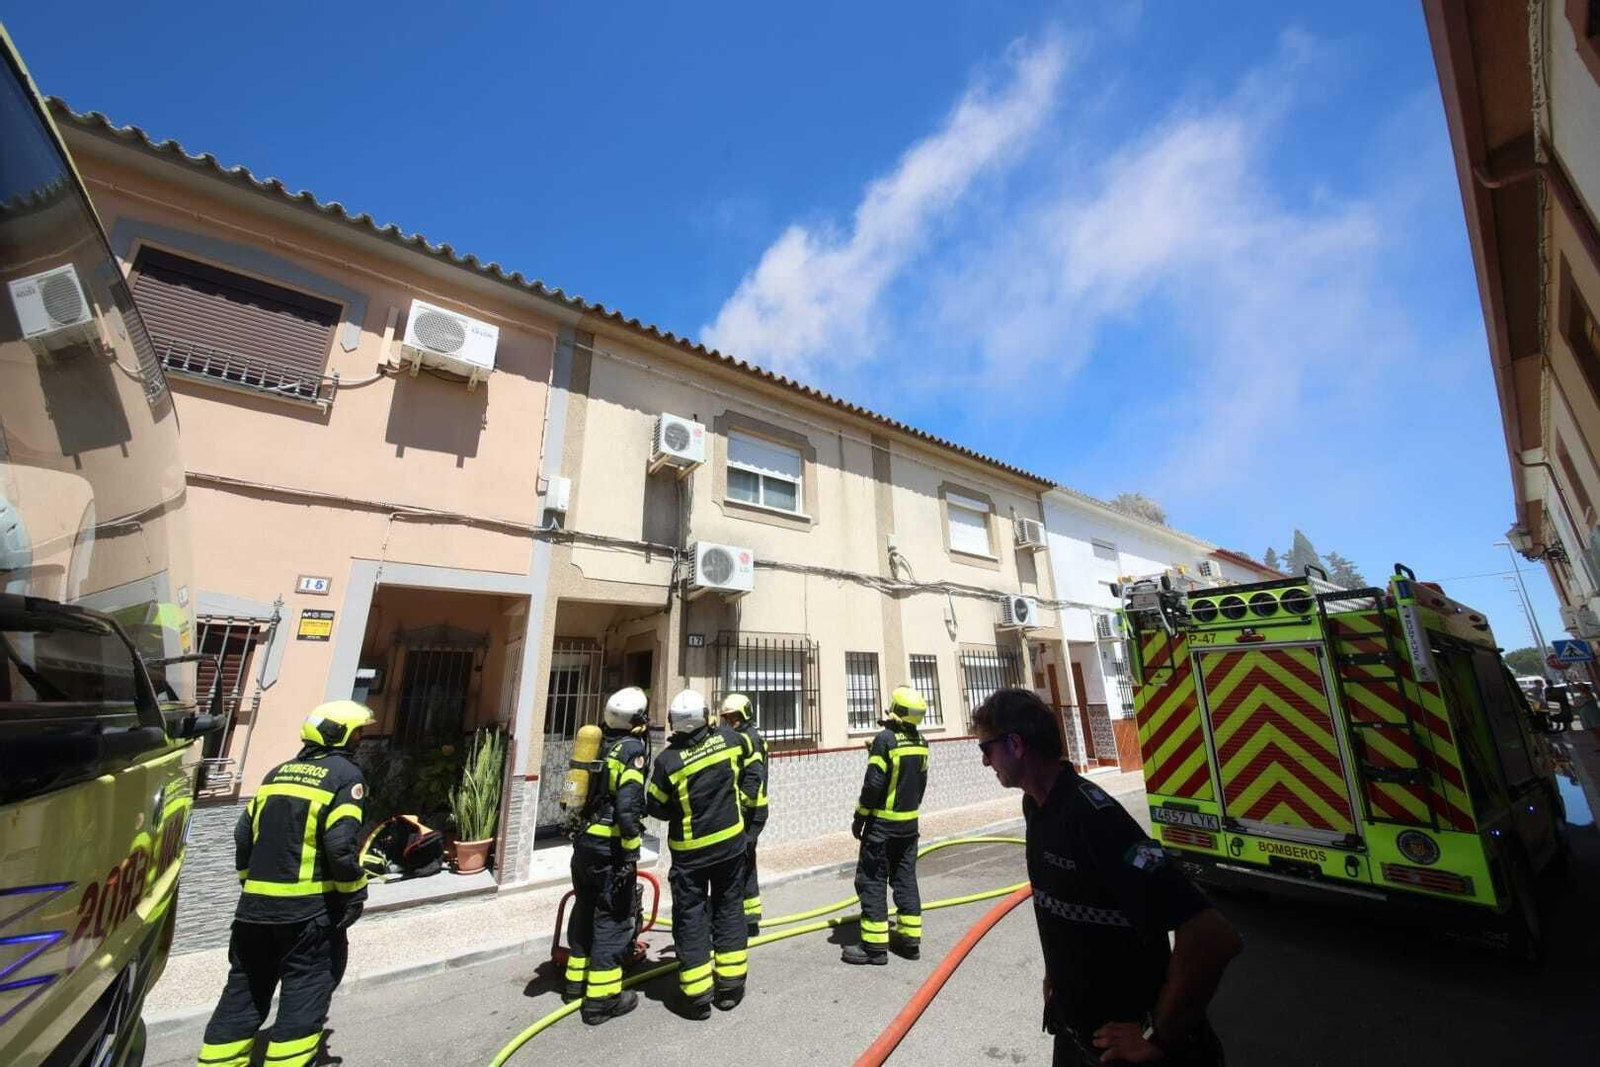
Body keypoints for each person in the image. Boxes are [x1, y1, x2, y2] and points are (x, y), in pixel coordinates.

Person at [973, 688, 1242, 1067]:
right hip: (1076, 1036)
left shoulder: (1094, 819)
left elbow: (1212, 935)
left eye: (987, 749)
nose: (985, 762)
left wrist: (1155, 1034)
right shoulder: (1036, 806)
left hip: (1128, 1052)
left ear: (1016, 745)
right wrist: (1058, 973)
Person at [197, 700, 374, 1067]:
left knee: (243, 990)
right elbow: (340, 846)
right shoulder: (345, 777)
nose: (360, 740)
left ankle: (218, 1062)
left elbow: (242, 835)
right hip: (307, 914)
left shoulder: (276, 774)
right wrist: (355, 891)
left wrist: (250, 883)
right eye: (357, 733)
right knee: (305, 991)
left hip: (253, 912)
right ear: (338, 734)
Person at [646, 689, 759, 1017]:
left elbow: (655, 805)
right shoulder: (728, 741)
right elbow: (750, 759)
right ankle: (730, 986)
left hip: (691, 857)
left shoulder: (668, 761)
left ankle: (697, 997)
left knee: (691, 918)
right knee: (728, 910)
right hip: (730, 848)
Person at [563, 686, 651, 1024]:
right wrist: (631, 848)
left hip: (584, 846)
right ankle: (602, 1001)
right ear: (638, 719)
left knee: (584, 910)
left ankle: (575, 983)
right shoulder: (632, 751)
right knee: (611, 919)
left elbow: (573, 795)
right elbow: (628, 809)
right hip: (609, 851)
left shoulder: (599, 745)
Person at [842, 686, 930, 965]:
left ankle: (874, 948)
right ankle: (909, 941)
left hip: (882, 826)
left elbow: (874, 784)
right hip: (909, 824)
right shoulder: (921, 742)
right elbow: (918, 782)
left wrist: (860, 816)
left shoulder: (885, 740)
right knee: (905, 878)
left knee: (872, 879)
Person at [720, 692, 769, 936]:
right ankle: (749, 916)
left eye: (734, 717)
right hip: (748, 810)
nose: (731, 722)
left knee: (742, 860)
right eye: (727, 719)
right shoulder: (740, 737)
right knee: (745, 861)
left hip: (752, 811)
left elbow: (753, 779)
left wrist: (740, 806)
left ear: (746, 715)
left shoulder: (752, 739)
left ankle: (745, 918)